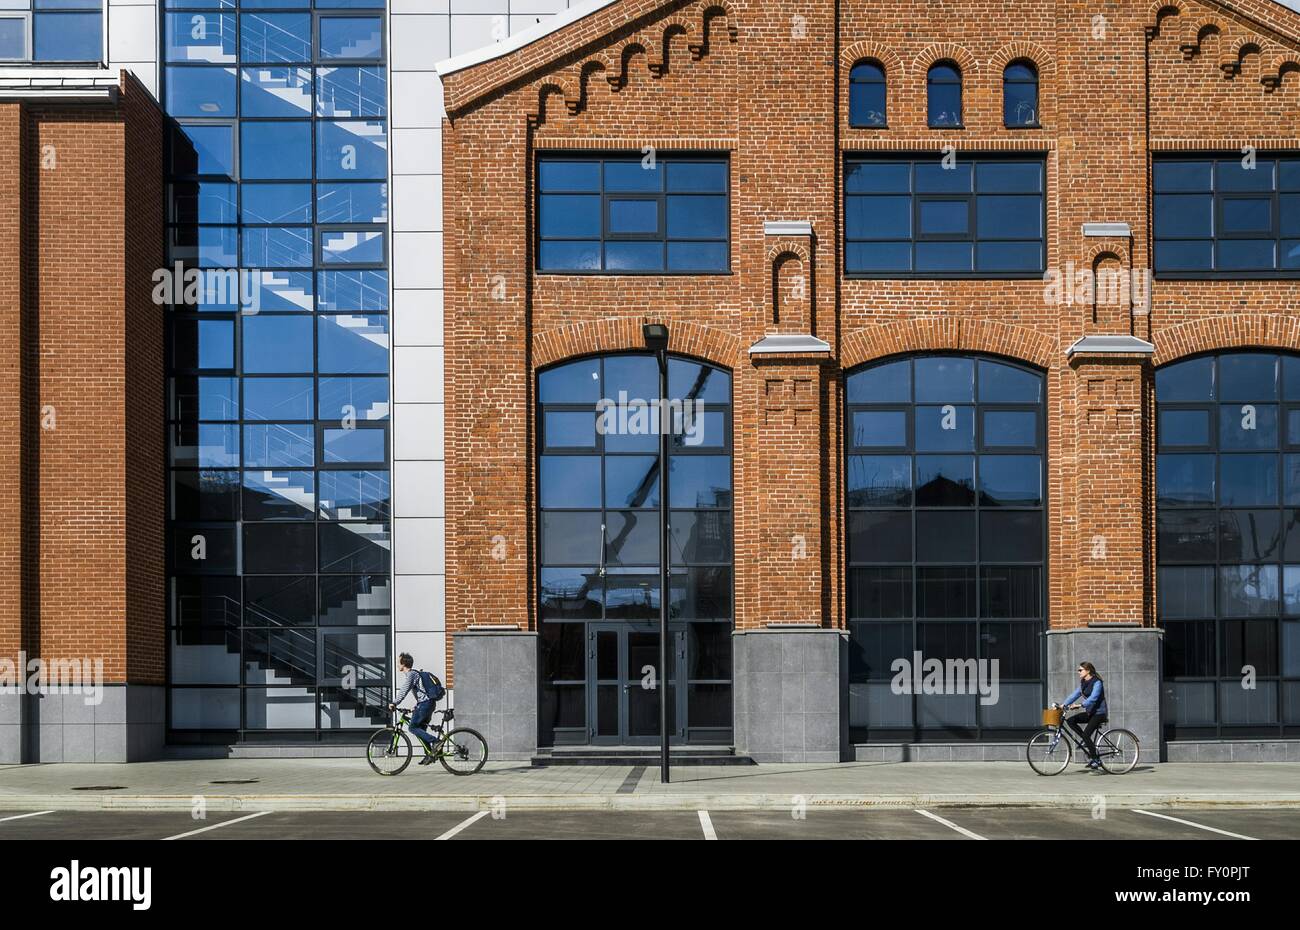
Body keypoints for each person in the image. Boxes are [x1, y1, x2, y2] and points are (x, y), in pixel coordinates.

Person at [389, 653, 441, 766]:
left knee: (412, 727)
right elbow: (421, 692)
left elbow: (404, 690)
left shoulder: (411, 674)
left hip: (425, 704)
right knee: (420, 730)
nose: (397, 665)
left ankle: (436, 741)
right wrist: (416, 706)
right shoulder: (414, 674)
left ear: (403, 664)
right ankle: (429, 755)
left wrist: (394, 703)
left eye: (398, 662)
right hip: (427, 704)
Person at [1060, 661, 1108, 770]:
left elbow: (1094, 698)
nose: (1078, 672)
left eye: (1080, 670)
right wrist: (1063, 704)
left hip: (1099, 714)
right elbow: (1074, 695)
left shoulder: (1097, 682)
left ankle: (1096, 759)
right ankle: (1086, 741)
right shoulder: (1083, 683)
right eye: (1078, 670)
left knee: (1086, 735)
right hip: (1090, 713)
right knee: (1071, 720)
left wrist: (1081, 705)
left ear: (1088, 670)